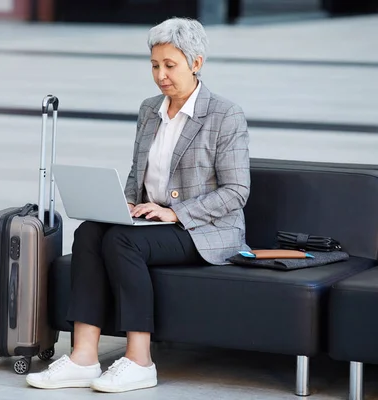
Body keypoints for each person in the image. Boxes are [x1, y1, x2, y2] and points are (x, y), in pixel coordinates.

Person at [26, 16, 251, 393]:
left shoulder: (225, 115)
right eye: (154, 65)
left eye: (170, 65)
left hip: (205, 229)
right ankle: (83, 357)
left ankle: (139, 360)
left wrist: (175, 212)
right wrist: (125, 204)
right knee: (90, 233)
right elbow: (138, 174)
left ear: (196, 64)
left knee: (121, 242)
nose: (161, 75)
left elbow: (236, 191)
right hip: (153, 222)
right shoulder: (150, 110)